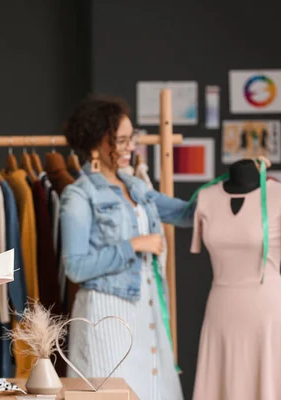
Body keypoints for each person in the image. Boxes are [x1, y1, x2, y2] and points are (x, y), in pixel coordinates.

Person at [59, 95, 193, 400]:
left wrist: (239, 181)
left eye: (131, 138)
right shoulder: (79, 195)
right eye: (121, 140)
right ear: (96, 144)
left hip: (147, 310)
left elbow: (185, 213)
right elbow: (75, 267)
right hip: (107, 316)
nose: (131, 147)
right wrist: (133, 244)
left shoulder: (135, 186)